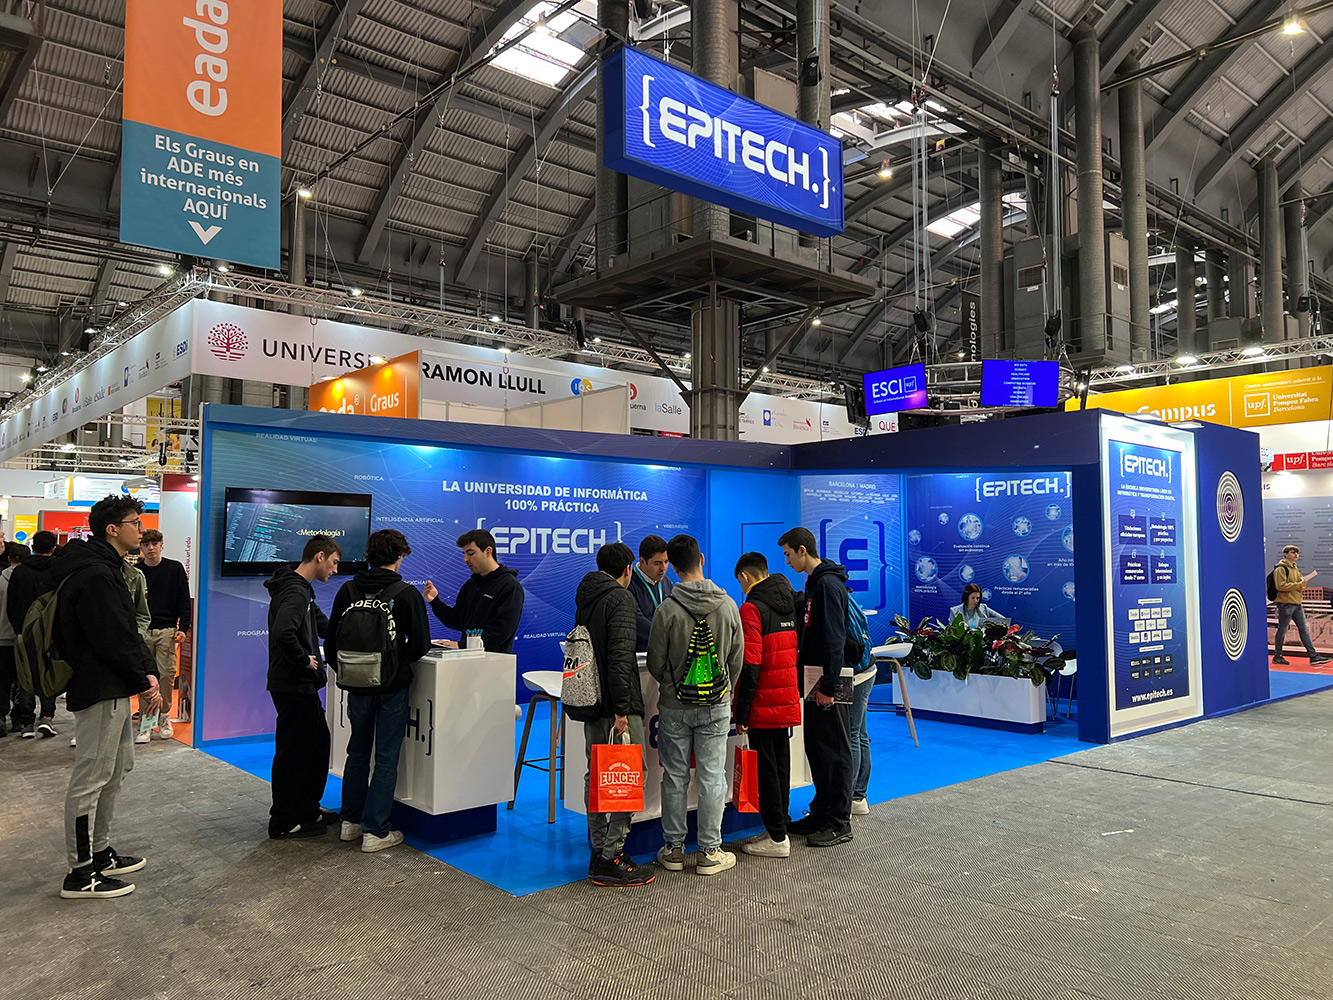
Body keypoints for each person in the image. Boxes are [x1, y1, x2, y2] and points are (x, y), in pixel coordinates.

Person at [54, 495, 161, 898]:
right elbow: (112, 637)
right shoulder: (95, 573)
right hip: (99, 686)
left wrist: (144, 673)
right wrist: (144, 679)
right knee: (90, 778)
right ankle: (80, 872)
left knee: (115, 771)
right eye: (136, 523)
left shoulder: (109, 568)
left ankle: (100, 853)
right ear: (113, 529)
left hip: (114, 686)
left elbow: (127, 631)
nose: (141, 530)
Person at [324, 529, 431, 854]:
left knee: (357, 752)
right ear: (400, 556)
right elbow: (421, 645)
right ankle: (375, 830)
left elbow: (331, 640)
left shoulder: (348, 589)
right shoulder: (406, 594)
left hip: (356, 686)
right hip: (391, 687)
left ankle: (350, 822)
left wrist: (349, 671)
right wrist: (396, 664)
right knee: (386, 757)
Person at [647, 534, 743, 876]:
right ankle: (710, 852)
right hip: (716, 705)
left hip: (675, 706)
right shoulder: (728, 605)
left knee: (674, 776)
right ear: (701, 558)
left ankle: (673, 850)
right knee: (712, 776)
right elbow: (736, 660)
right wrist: (723, 689)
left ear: (673, 566)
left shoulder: (667, 610)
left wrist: (672, 686)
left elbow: (656, 663)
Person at [573, 541, 652, 887]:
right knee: (629, 775)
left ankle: (599, 850)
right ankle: (612, 856)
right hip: (616, 706)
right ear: (628, 568)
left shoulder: (586, 597)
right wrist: (622, 709)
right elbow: (620, 656)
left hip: (592, 702)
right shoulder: (620, 598)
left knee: (596, 775)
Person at [780, 526, 854, 848]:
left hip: (828, 681)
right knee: (817, 748)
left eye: (788, 554)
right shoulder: (814, 583)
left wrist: (829, 685)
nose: (787, 561)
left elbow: (835, 639)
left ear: (802, 550)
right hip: (813, 678)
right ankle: (822, 811)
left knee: (835, 750)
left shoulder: (828, 585)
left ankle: (839, 821)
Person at [265, 534, 341, 839]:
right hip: (293, 683)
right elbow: (283, 633)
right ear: (320, 557)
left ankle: (307, 809)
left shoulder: (301, 591)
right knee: (294, 751)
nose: (335, 570)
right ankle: (284, 820)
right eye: (334, 562)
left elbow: (326, 627)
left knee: (316, 743)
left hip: (296, 684)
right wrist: (304, 660)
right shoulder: (296, 592)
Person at [733, 552, 801, 858]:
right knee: (781, 765)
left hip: (762, 700)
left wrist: (742, 712)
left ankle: (776, 838)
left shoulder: (751, 609)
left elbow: (751, 665)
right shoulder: (789, 601)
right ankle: (779, 826)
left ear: (745, 577)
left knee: (767, 770)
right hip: (785, 697)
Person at [423, 529, 524, 653]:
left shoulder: (509, 586)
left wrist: (462, 645)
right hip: (468, 658)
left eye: (471, 553)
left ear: (488, 551)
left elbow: (500, 632)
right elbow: (457, 620)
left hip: (494, 660)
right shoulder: (471, 584)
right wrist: (435, 601)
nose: (465, 559)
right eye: (464, 554)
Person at [137, 529, 192, 742]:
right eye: (146, 544)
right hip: (142, 631)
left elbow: (183, 599)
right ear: (140, 547)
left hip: (167, 630)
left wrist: (183, 627)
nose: (151, 548)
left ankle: (164, 715)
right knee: (145, 676)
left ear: (162, 545)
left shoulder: (174, 568)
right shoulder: (136, 571)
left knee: (167, 675)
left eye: (154, 543)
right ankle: (146, 721)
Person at [5, 530, 61, 738]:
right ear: (53, 548)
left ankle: (26, 722)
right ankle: (47, 717)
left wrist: (19, 628)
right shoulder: (58, 570)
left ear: (33, 547)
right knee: (49, 672)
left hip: (25, 631)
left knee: (26, 674)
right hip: (52, 631)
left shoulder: (20, 572)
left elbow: (11, 604)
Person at [1273, 546, 1332, 666]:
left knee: (1303, 629)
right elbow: (1280, 586)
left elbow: (1300, 586)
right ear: (1285, 554)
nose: (1296, 555)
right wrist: (1299, 584)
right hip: (1286, 603)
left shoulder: (1295, 568)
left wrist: (1303, 584)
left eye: (1297, 553)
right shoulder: (1281, 569)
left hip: (1296, 603)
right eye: (1293, 552)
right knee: (1283, 629)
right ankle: (1278, 656)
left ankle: (1314, 656)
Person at [0, 542, 30, 737]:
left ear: (10, 558)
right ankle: (20, 719)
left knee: (2, 681)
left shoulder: (0, 580)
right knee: (23, 681)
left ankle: (1, 716)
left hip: (2, 638)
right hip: (23, 639)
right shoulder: (31, 580)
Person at [628, 535, 673, 652]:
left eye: (666, 562)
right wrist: (666, 636)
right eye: (657, 563)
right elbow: (637, 621)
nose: (663, 568)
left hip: (664, 652)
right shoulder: (629, 584)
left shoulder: (666, 583)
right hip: (640, 653)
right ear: (642, 561)